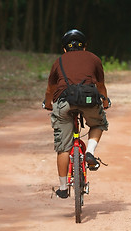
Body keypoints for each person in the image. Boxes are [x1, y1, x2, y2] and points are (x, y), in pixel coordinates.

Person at [43, 29, 110, 199]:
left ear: (65, 49)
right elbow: (100, 85)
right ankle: (90, 153)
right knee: (98, 123)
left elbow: (51, 88)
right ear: (84, 47)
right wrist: (105, 101)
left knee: (63, 148)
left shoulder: (58, 61)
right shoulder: (94, 59)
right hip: (89, 100)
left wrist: (48, 103)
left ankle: (63, 188)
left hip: (63, 102)